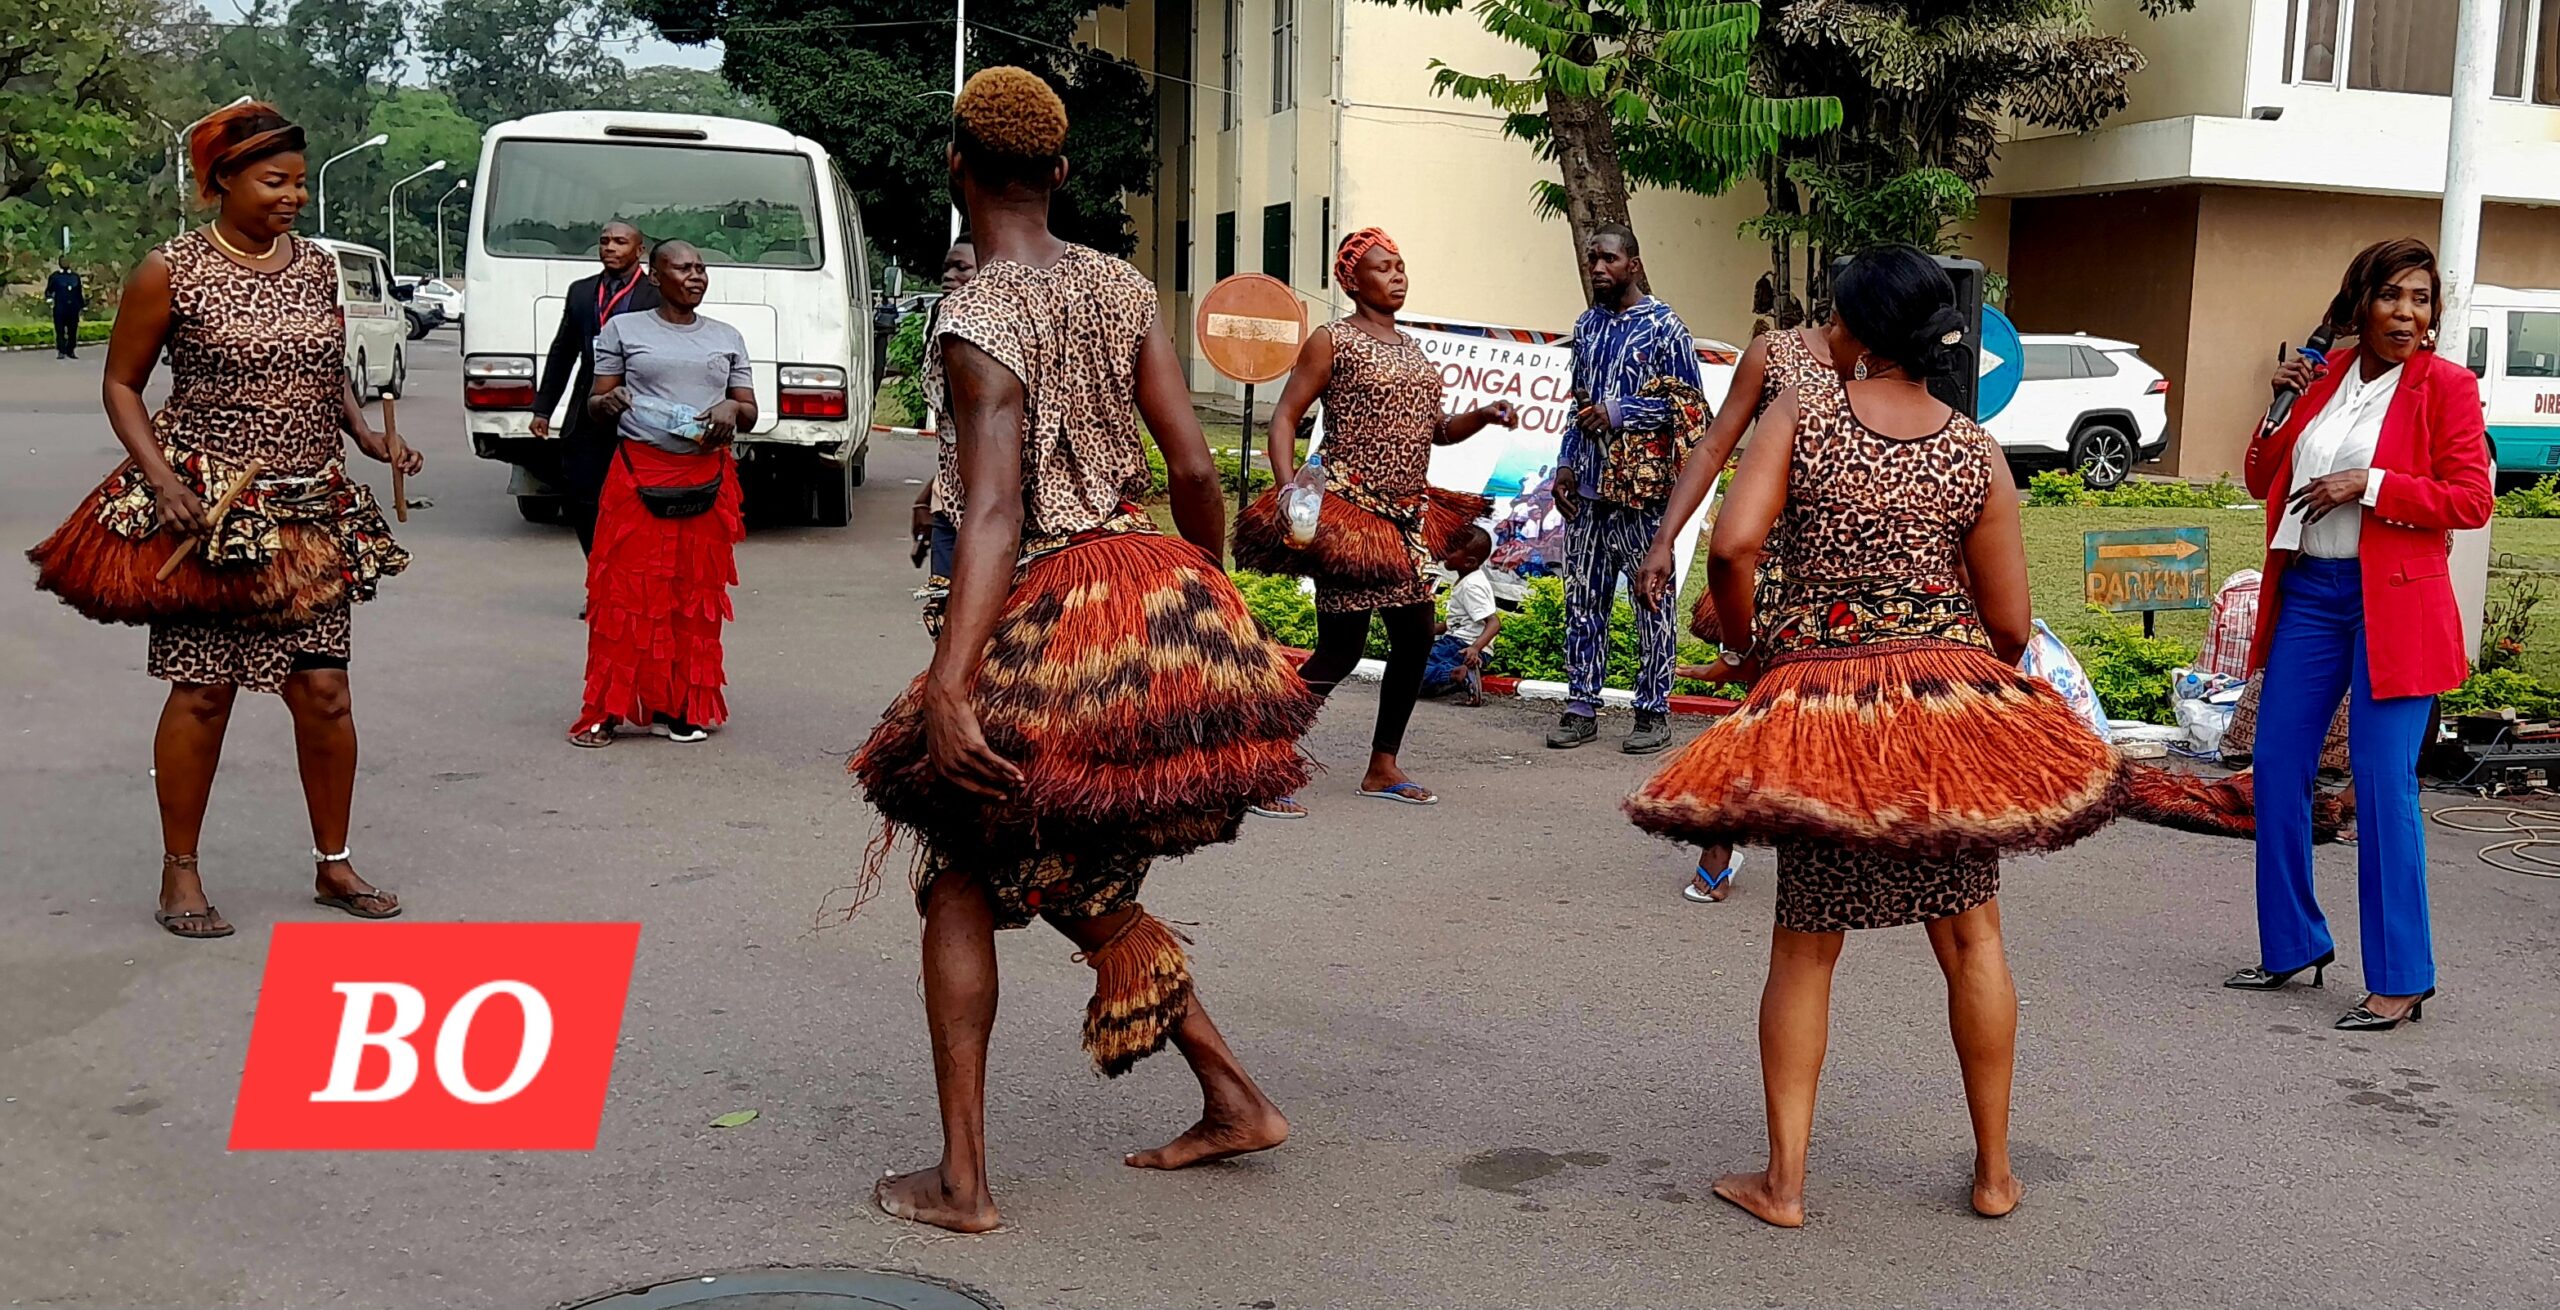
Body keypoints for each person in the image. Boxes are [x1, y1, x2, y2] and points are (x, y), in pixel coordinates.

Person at [848, 67, 1320, 1234]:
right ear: (1058, 172)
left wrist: (951, 686)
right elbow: (1196, 470)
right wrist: (1211, 603)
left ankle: (965, 1181)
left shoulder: (978, 312)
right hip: (1146, 591)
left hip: (1047, 610)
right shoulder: (1117, 282)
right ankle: (1234, 1094)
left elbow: (997, 512)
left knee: (964, 865)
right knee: (1064, 870)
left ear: (957, 166)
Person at [1625, 246, 2124, 1227]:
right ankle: (1992, 1172)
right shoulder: (1973, 447)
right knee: (1973, 935)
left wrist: (1752, 647)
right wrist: (1950, 666)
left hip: (1830, 716)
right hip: (1941, 710)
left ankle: (1786, 1182)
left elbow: (1732, 546)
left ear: (1852, 326)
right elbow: (2013, 623)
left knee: (1806, 949)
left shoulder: (1801, 414)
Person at [98, 102, 420, 938]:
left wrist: (364, 433)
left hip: (312, 512)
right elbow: (122, 385)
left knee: (325, 693)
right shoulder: (169, 269)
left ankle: (333, 863)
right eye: (275, 181)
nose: (293, 198)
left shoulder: (316, 268)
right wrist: (161, 480)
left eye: (300, 183)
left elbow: (327, 370)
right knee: (203, 693)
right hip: (214, 516)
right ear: (222, 181)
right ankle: (180, 874)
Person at [2225, 237, 2493, 1031]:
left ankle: (2403, 977)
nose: (2406, 313)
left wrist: (2367, 485)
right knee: (2275, 764)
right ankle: (2294, 943)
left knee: (2381, 784)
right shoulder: (2325, 379)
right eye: (2391, 296)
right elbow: (2260, 477)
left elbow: (2470, 499)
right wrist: (2275, 405)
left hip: (2394, 604)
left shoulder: (2445, 388)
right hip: (2311, 590)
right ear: (2361, 304)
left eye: (2420, 299)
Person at [1253, 228, 1518, 811]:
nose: (1397, 275)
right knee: (1340, 649)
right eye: (1383, 267)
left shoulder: (1411, 351)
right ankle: (1260, 758)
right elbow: (1285, 415)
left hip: (1403, 522)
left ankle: (1382, 765)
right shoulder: (1333, 340)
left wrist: (1483, 415)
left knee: (1416, 635)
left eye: (1401, 266)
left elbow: (1438, 432)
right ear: (1352, 280)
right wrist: (1288, 489)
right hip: (1350, 518)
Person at [1638, 323, 1841, 904]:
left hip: (1852, 573)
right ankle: (1722, 842)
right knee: (1764, 706)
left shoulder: (1895, 362)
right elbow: (1711, 446)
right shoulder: (1775, 351)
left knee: (1826, 714)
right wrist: (1665, 539)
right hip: (1771, 566)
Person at [567, 241, 753, 748]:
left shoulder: (727, 337)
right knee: (624, 596)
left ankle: (678, 709)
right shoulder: (624, 331)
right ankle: (606, 710)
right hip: (638, 474)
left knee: (691, 600)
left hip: (706, 482)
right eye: (683, 268)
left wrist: (730, 412)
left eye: (701, 268)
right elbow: (596, 402)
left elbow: (750, 409)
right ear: (655, 275)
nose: (695, 276)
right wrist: (612, 401)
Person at [1552, 223, 1701, 755]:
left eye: (1609, 259)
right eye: (1593, 259)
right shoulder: (1587, 327)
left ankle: (1652, 710)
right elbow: (1579, 403)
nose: (1598, 268)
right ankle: (1581, 705)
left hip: (1643, 496)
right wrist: (1566, 466)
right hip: (1589, 497)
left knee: (1650, 602)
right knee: (1583, 600)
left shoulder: (1666, 328)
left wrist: (1623, 412)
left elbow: (1691, 411)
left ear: (1633, 265)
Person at [531, 221, 660, 557]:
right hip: (589, 406)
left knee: (635, 499)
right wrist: (543, 409)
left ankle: (630, 579)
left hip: (639, 409)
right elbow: (563, 351)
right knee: (583, 494)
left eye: (620, 242)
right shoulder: (582, 292)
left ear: (639, 250)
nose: (610, 248)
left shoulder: (656, 295)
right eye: (605, 241)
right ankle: (598, 574)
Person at [909, 236, 979, 618]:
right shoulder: (943, 324)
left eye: (962, 268)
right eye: (946, 269)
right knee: (945, 615)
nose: (949, 277)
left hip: (997, 511)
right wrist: (929, 497)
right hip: (953, 505)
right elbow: (956, 439)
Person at [1421, 525, 1501, 705]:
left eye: (1450, 550)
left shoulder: (1471, 586)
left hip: (1461, 646)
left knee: (1407, 674)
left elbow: (1494, 622)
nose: (1443, 552)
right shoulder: (1468, 580)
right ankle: (1461, 675)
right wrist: (1429, 631)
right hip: (1460, 645)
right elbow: (1457, 622)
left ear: (1469, 562)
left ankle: (1457, 674)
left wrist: (1475, 648)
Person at [46, 257, 86, 359]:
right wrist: (49, 299)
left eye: (67, 261)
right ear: (59, 263)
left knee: (73, 330)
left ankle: (71, 350)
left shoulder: (75, 277)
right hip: (60, 307)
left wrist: (82, 306)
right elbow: (48, 291)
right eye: (63, 261)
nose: (65, 263)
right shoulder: (55, 277)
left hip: (73, 308)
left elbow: (79, 292)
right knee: (60, 330)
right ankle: (61, 350)